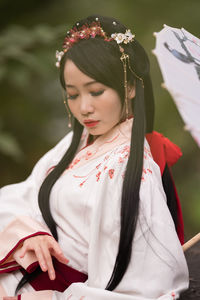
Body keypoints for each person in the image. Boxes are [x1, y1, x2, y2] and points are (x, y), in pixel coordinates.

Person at [0, 14, 189, 300]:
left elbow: (148, 286)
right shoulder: (76, 143)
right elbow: (23, 194)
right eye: (73, 95)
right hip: (22, 276)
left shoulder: (132, 169)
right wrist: (31, 233)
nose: (84, 108)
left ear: (131, 86)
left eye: (96, 91)